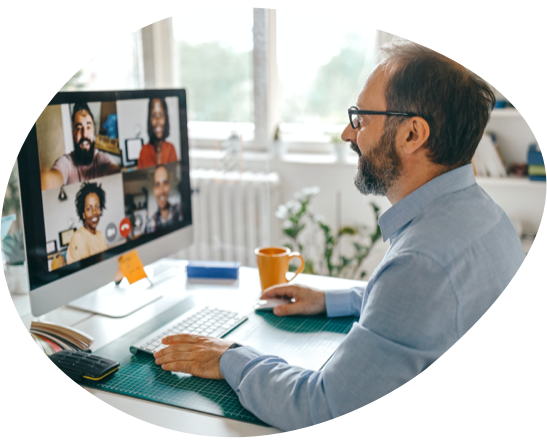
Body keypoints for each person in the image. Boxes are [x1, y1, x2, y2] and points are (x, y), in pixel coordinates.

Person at [152, 41, 526, 431]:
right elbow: (426, 310)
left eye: (361, 118)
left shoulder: (421, 263)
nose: (348, 132)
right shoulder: (484, 216)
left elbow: (321, 407)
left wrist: (229, 357)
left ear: (413, 134)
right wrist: (334, 300)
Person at [41, 103, 120, 190]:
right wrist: (44, 180)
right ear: (73, 135)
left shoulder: (102, 159)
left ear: (93, 132)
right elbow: (52, 179)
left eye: (88, 127)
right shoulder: (66, 163)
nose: (84, 134)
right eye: (79, 128)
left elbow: (115, 172)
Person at [66, 182, 108, 265]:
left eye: (97, 206)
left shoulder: (100, 235)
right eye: (89, 208)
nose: (94, 212)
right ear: (83, 214)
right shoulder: (78, 237)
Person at [137, 98, 178, 169]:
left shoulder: (171, 148)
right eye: (154, 115)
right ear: (149, 119)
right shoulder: (144, 151)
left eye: (161, 115)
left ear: (166, 118)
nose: (158, 120)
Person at [145, 165, 183, 233]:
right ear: (154, 190)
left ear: (169, 186)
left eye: (165, 183)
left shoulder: (180, 211)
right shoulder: (149, 224)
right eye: (157, 184)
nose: (161, 191)